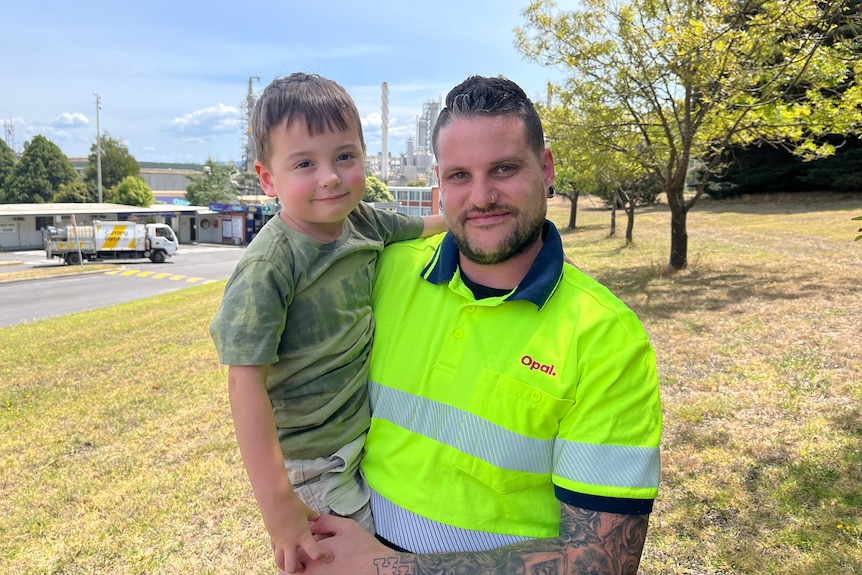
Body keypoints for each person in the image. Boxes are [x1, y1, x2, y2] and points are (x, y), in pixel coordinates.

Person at [302, 75, 663, 575]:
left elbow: (602, 561)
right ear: (439, 183)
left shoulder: (604, 338)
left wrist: (385, 569)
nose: (482, 196)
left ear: (547, 167)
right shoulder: (386, 272)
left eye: (504, 168)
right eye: (459, 176)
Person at [209, 73, 446, 575]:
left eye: (344, 156)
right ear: (267, 178)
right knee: (351, 563)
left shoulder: (365, 221)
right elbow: (243, 382)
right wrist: (277, 508)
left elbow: (435, 225)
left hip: (364, 436)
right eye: (304, 164)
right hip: (314, 461)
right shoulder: (270, 266)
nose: (331, 177)